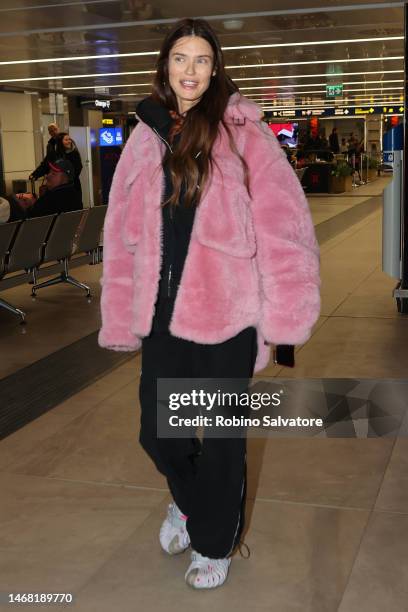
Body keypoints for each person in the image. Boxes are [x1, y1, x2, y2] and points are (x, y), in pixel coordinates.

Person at [98, 18, 320, 590]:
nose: (190, 71)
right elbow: (121, 228)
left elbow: (283, 224)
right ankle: (192, 503)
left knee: (220, 439)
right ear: (164, 66)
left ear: (214, 67)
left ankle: (215, 542)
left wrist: (285, 311)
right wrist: (122, 308)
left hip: (228, 314)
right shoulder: (145, 133)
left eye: (201, 59)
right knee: (159, 432)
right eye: (180, 58)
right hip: (162, 316)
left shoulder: (244, 132)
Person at [10, 159, 82, 220]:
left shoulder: (54, 197)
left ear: (65, 178)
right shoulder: (73, 194)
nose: (48, 176)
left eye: (54, 174)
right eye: (49, 172)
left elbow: (30, 219)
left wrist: (20, 204)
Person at [54, 133, 83, 198]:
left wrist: (68, 179)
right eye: (66, 140)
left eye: (69, 139)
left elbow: (79, 168)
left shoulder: (74, 153)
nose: (69, 141)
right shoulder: (57, 155)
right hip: (60, 186)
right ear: (60, 142)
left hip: (73, 185)